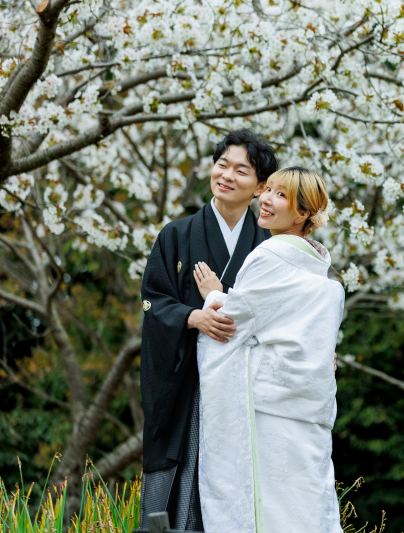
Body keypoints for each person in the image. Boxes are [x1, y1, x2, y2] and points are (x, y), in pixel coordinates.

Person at [139, 129, 278, 531]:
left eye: (241, 170)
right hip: (188, 380)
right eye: (222, 165)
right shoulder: (176, 235)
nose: (227, 176)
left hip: (242, 384)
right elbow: (153, 298)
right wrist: (192, 316)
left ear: (259, 188)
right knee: (183, 459)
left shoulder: (268, 246)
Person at [192, 167, 344, 533]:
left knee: (269, 507)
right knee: (305, 501)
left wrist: (213, 295)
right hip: (307, 405)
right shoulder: (318, 269)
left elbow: (232, 322)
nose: (265, 199)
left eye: (280, 195)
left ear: (303, 212)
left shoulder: (270, 255)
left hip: (269, 408)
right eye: (268, 190)